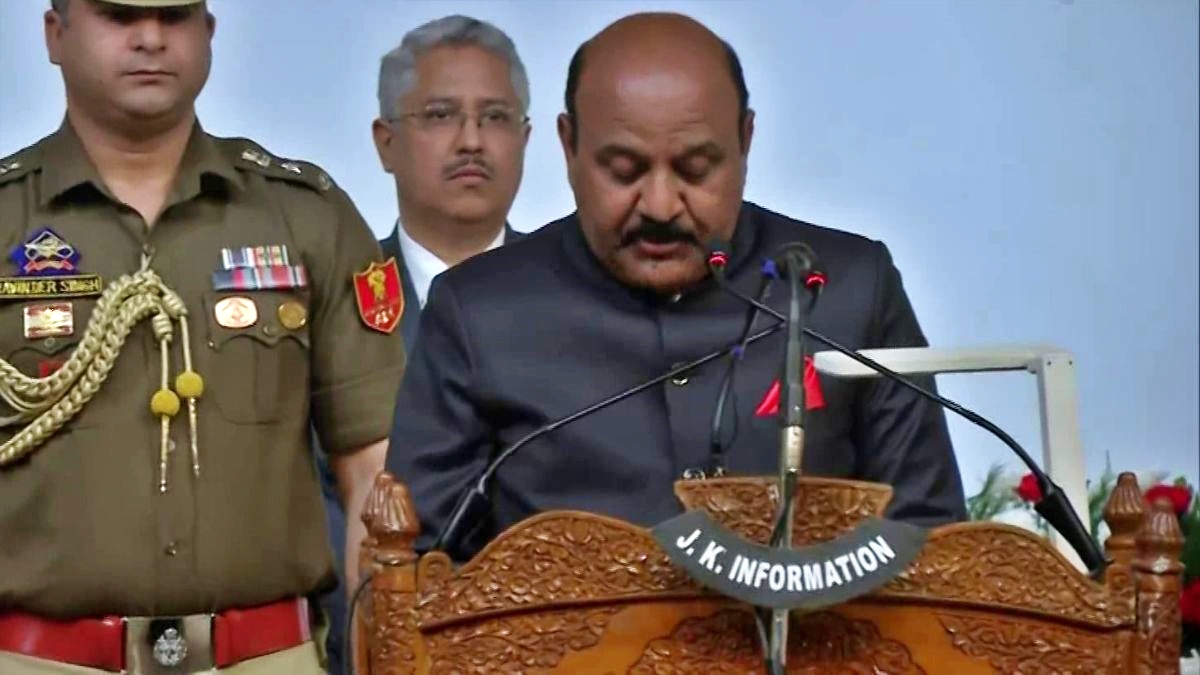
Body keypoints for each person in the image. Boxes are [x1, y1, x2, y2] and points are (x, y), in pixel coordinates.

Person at [385, 11, 968, 562]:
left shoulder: (848, 288)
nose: (660, 205)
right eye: (623, 170)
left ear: (745, 140)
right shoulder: (479, 311)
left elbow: (931, 540)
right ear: (568, 147)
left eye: (694, 169)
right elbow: (418, 572)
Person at [0, 1, 404, 673]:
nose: (151, 38)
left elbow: (375, 476)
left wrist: (379, 657)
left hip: (268, 658)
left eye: (174, 16)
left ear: (209, 34)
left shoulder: (303, 215)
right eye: (118, 16)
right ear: (55, 34)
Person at [312, 15, 531, 674]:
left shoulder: (576, 305)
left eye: (494, 118)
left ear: (525, 139)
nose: (470, 140)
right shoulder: (332, 309)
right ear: (385, 142)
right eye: (440, 115)